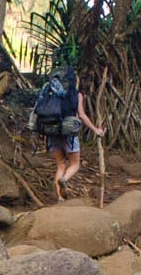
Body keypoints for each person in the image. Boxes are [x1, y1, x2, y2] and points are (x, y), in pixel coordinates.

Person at [36, 66, 104, 198]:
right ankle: (65, 180)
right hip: (69, 133)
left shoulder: (51, 92)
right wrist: (96, 130)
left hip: (52, 131)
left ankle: (60, 198)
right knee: (75, 164)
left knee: (60, 165)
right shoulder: (76, 95)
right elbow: (82, 115)